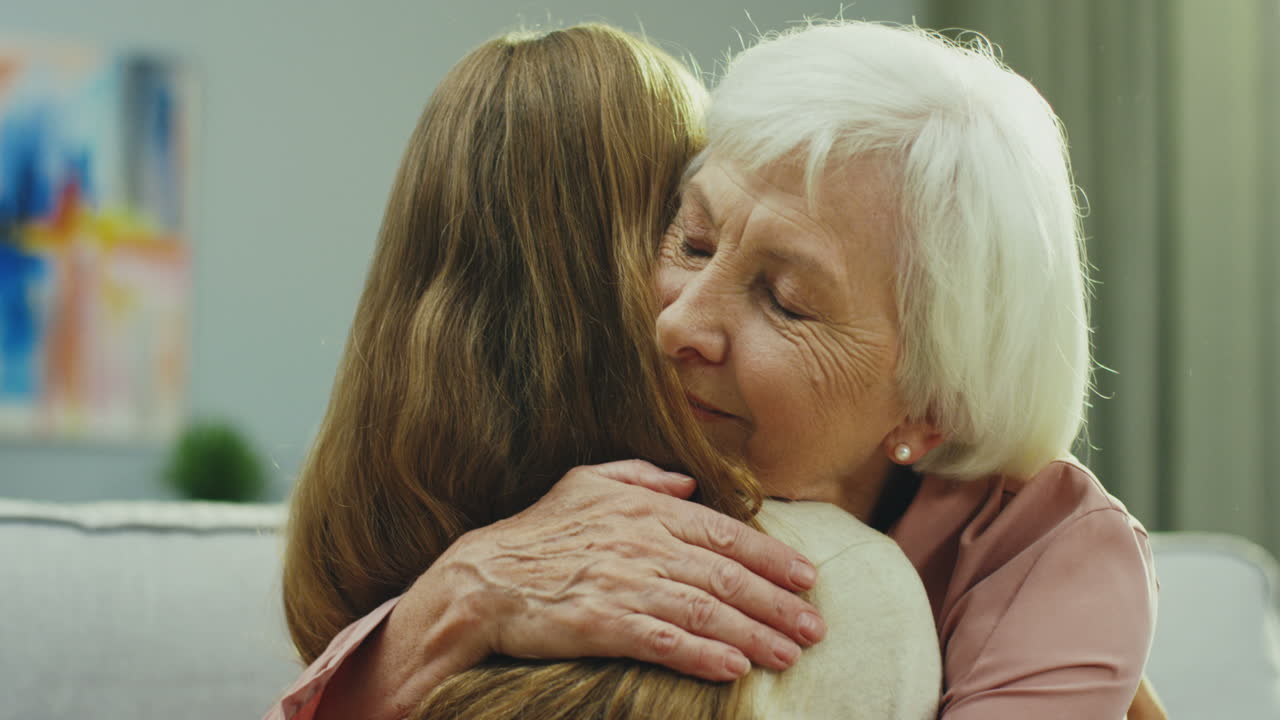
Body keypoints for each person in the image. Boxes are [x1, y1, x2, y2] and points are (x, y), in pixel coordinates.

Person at [272, 20, 1165, 720]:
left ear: (927, 409)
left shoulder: (1045, 553)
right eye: (692, 240)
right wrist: (458, 597)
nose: (677, 323)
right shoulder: (605, 456)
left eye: (784, 299)